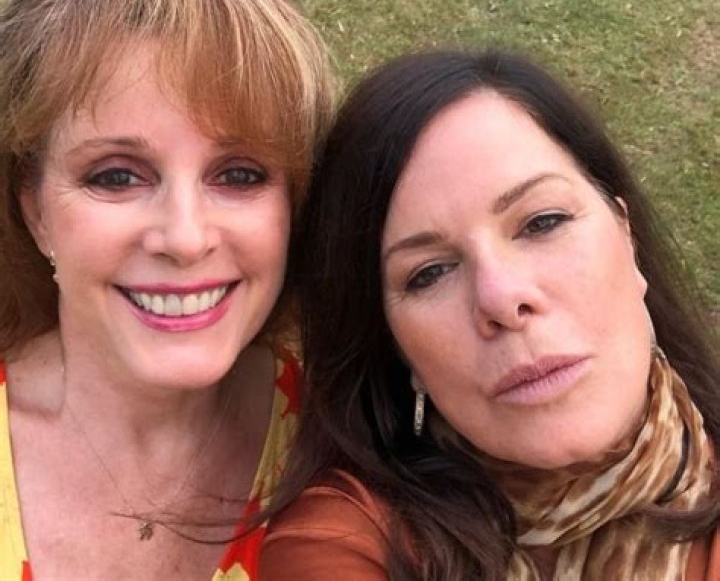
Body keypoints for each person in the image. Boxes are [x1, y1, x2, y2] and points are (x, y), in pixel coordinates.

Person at [260, 50, 719, 580]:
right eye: (429, 273)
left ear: (626, 236)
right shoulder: (343, 548)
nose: (501, 298)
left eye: (542, 222)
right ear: (396, 347)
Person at [0, 0, 334, 579]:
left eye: (239, 174)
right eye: (116, 176)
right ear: (35, 211)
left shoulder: (348, 449)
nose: (184, 238)